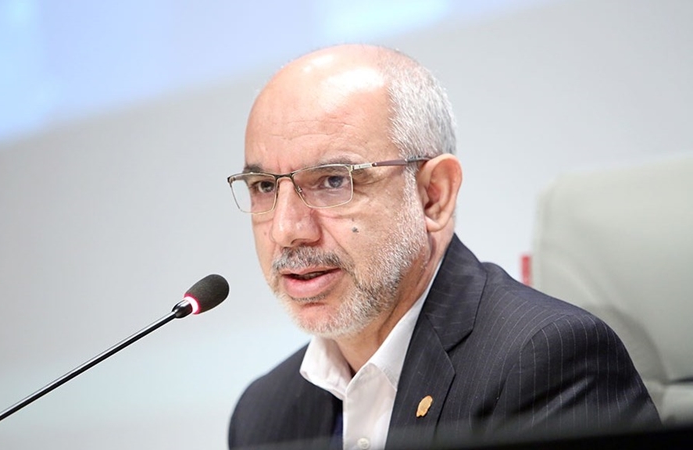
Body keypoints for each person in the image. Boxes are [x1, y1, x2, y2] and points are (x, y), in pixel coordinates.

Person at [226, 44, 659, 450]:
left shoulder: (545, 363)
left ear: (434, 195)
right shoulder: (262, 415)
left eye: (333, 180)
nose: (286, 229)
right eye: (264, 186)